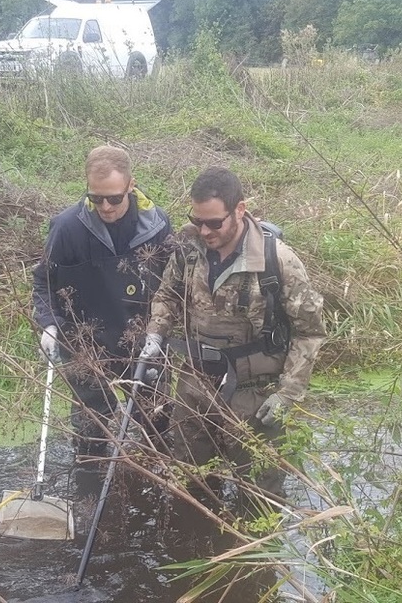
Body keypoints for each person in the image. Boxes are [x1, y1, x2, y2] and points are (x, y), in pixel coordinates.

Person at [141, 167, 325, 500]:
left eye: (214, 222)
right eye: (197, 220)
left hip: (254, 396)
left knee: (259, 497)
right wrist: (156, 333)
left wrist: (287, 394)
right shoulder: (188, 247)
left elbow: (309, 333)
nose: (204, 230)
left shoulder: (278, 261)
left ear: (239, 210)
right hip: (194, 385)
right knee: (193, 486)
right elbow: (167, 295)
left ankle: (256, 552)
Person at [32, 145, 171, 461]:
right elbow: (44, 282)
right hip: (85, 344)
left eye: (114, 198)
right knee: (90, 435)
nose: (105, 207)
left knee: (156, 424)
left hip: (141, 340)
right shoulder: (67, 228)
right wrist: (49, 323)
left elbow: (171, 286)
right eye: (96, 198)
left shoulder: (157, 225)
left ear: (131, 186)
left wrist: (161, 334)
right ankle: (88, 490)